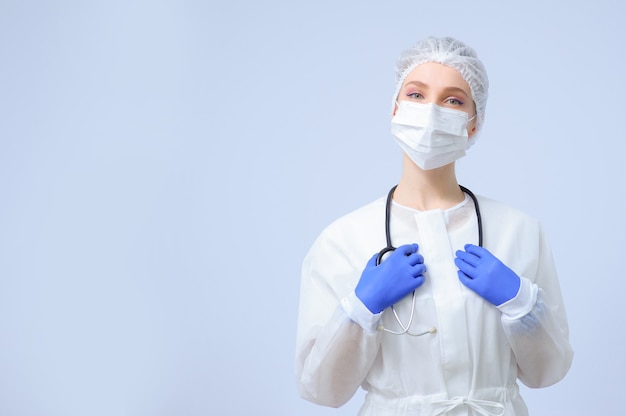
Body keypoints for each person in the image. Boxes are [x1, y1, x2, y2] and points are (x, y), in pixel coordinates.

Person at [295, 36, 573, 416]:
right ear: (395, 109)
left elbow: (548, 372)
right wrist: (361, 308)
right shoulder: (343, 240)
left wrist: (521, 303)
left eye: (453, 100)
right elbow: (321, 390)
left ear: (473, 125)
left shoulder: (520, 232)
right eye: (416, 94)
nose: (431, 112)